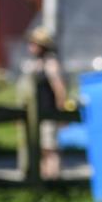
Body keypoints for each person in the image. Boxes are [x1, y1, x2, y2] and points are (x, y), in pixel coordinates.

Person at [16, 26, 71, 179]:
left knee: (50, 149)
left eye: (35, 43)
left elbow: (59, 89)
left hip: (48, 114)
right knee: (37, 149)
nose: (31, 46)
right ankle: (41, 179)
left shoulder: (51, 63)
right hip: (34, 115)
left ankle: (53, 180)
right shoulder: (34, 64)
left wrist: (61, 113)